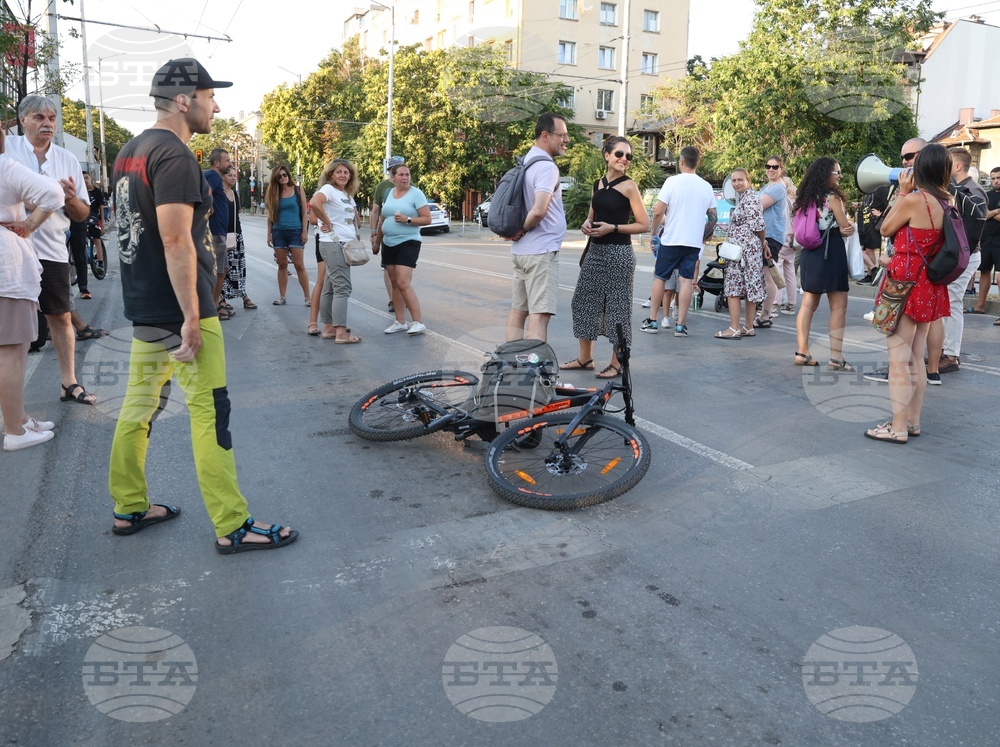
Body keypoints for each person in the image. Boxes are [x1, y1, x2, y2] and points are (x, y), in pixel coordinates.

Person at [108, 57, 297, 553]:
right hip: (180, 310)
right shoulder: (174, 156)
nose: (217, 105)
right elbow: (174, 241)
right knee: (211, 412)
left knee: (139, 408)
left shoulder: (130, 151)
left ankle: (128, 506)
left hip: (144, 304)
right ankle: (233, 525)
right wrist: (193, 314)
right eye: (211, 96)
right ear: (184, 99)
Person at [5, 95, 97, 405]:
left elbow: (81, 214)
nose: (47, 124)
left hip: (52, 250)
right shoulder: (9, 149)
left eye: (51, 118)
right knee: (9, 327)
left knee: (60, 317)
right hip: (12, 252)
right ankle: (12, 405)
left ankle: (68, 383)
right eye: (39, 118)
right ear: (23, 121)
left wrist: (68, 198)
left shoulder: (67, 159)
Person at [865, 144, 952, 444]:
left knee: (898, 359)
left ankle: (897, 427)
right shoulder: (945, 200)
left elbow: (886, 228)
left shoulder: (915, 199)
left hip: (903, 284)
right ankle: (912, 422)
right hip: (928, 284)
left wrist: (902, 192)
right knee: (916, 356)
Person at [0, 127, 64, 451]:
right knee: (12, 349)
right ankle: (14, 430)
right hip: (5, 266)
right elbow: (53, 195)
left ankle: (20, 419)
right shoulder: (4, 166)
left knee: (16, 347)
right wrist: (29, 225)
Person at [563, 136, 649, 378]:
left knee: (618, 308)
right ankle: (585, 358)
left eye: (628, 156)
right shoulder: (597, 185)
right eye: (620, 154)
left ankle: (617, 362)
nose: (624, 159)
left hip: (619, 254)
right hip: (595, 252)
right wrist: (586, 224)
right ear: (607, 155)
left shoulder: (629, 186)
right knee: (582, 302)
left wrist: (613, 228)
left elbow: (645, 224)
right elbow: (592, 215)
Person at [504, 113, 569, 342]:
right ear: (545, 135)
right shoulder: (546, 167)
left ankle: (511, 365)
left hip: (521, 252)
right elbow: (539, 209)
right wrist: (522, 228)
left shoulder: (527, 160)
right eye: (562, 135)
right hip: (540, 251)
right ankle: (535, 369)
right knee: (538, 315)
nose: (566, 140)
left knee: (518, 311)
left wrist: (518, 232)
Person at [641, 145, 717, 337]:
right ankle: (680, 326)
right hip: (692, 243)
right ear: (697, 163)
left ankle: (652, 322)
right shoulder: (706, 186)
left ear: (681, 161)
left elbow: (658, 210)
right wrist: (704, 235)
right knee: (686, 281)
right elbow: (713, 217)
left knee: (660, 278)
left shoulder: (672, 181)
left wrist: (654, 232)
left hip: (671, 239)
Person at [792, 157, 856, 369]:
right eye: (837, 172)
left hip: (811, 252)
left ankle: (802, 352)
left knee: (808, 304)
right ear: (827, 174)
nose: (840, 176)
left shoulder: (805, 198)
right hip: (831, 251)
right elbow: (845, 226)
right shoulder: (832, 197)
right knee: (838, 306)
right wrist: (848, 227)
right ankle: (836, 357)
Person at [929, 147, 987, 374]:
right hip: (961, 254)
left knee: (952, 303)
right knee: (948, 303)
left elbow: (973, 230)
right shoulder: (958, 188)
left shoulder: (973, 189)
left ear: (957, 166)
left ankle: (951, 355)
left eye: (947, 162)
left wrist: (959, 257)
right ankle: (943, 351)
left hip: (965, 255)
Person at [373, 162, 431, 335]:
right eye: (401, 175)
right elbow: (383, 219)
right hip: (388, 242)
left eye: (407, 175)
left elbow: (427, 219)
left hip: (408, 241)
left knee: (403, 281)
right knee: (394, 283)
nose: (405, 178)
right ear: (393, 178)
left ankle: (418, 322)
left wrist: (407, 220)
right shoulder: (389, 193)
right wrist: (377, 241)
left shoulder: (416, 194)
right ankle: (400, 321)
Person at [310, 158, 362, 343]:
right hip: (334, 244)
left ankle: (329, 328)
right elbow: (315, 203)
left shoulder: (345, 194)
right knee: (343, 288)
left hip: (342, 244)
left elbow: (356, 220)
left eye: (346, 172)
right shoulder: (328, 189)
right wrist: (326, 221)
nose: (343, 175)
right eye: (339, 171)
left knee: (330, 287)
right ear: (331, 174)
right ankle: (341, 333)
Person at [715, 169, 766, 339]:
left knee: (733, 288)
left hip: (743, 251)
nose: (736, 183)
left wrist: (761, 242)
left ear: (748, 180)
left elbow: (759, 225)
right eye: (734, 180)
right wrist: (760, 244)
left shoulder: (750, 199)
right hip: (748, 250)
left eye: (740, 180)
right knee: (750, 287)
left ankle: (734, 328)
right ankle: (748, 326)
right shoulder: (747, 198)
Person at [265, 165, 311, 306]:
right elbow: (270, 215)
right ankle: (282, 296)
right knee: (282, 265)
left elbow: (304, 212)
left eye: (284, 175)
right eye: (279, 176)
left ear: (288, 175)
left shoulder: (298, 190)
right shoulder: (273, 193)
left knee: (299, 265)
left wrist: (304, 231)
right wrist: (269, 234)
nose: (283, 178)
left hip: (295, 230)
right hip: (279, 231)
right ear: (275, 179)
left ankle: (307, 297)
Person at [370, 156, 406, 314]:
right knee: (388, 267)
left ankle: (403, 296)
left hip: (406, 233)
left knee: (405, 267)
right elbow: (376, 211)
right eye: (393, 168)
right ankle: (392, 299)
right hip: (387, 232)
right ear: (390, 171)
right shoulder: (382, 187)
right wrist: (374, 233)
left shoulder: (410, 185)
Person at [755, 155, 787, 326]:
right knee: (763, 274)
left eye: (775, 167)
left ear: (781, 169)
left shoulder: (777, 189)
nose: (771, 169)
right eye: (768, 166)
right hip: (765, 235)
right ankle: (764, 313)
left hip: (771, 236)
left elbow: (757, 206)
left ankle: (766, 315)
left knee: (768, 275)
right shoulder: (767, 186)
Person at [221, 165, 256, 310]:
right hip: (222, 235)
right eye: (230, 175)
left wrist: (238, 234)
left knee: (239, 267)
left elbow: (237, 213)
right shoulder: (218, 193)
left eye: (235, 175)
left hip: (236, 234)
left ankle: (243, 295)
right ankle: (220, 298)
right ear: (223, 176)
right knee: (224, 268)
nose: (234, 178)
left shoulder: (235, 194)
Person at [204, 148, 233, 319]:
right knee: (218, 271)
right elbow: (203, 193)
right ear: (217, 163)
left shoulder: (213, 177)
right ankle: (212, 307)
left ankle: (214, 303)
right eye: (227, 160)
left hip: (219, 232)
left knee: (223, 269)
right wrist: (209, 207)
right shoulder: (214, 176)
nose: (230, 163)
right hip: (215, 232)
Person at [775, 175, 799, 314]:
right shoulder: (796, 202)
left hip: (782, 238)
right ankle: (791, 304)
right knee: (790, 272)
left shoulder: (782, 202)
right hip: (794, 241)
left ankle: (774, 303)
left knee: (777, 270)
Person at [857, 183, 888, 285]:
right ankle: (873, 270)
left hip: (873, 224)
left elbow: (889, 206)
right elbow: (871, 204)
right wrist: (860, 204)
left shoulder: (882, 188)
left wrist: (880, 214)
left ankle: (870, 275)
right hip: (864, 225)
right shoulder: (869, 188)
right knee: (862, 249)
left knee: (869, 250)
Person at [980, 167, 1000, 325]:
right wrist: (997, 211)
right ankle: (980, 305)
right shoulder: (987, 195)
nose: (995, 181)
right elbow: (983, 215)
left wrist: (990, 213)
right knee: (984, 271)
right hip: (987, 238)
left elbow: (988, 214)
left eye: (998, 178)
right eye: (993, 178)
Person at [83, 171, 106, 270]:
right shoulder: (81, 191)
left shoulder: (97, 192)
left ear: (91, 178)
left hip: (94, 217)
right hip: (83, 217)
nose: (85, 180)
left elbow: (101, 208)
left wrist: (103, 225)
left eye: (86, 177)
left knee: (97, 239)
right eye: (82, 178)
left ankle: (100, 263)